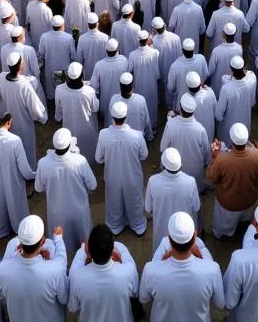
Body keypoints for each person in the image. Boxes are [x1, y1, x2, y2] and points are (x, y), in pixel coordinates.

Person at [138, 211, 225, 322]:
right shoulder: (213, 269)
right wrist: (201, 252)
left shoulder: (150, 270)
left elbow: (143, 299)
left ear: (169, 239)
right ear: (194, 237)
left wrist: (162, 259)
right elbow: (220, 303)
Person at [34, 127, 97, 257]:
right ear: (70, 145)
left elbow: (38, 188)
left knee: (61, 248)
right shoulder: (80, 161)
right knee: (85, 246)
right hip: (79, 211)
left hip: (57, 213)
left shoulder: (43, 163)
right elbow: (93, 185)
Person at [0, 215, 69, 322]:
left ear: (20, 243)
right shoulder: (55, 271)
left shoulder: (2, 270)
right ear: (42, 241)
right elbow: (64, 299)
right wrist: (59, 239)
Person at [67, 223, 140, 322]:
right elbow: (135, 293)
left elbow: (73, 308)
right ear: (112, 251)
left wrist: (82, 249)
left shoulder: (76, 277)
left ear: (90, 252)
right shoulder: (129, 272)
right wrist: (114, 245)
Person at [96, 100, 149, 236]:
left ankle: (115, 226)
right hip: (133, 176)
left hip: (112, 176)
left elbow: (99, 158)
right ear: (126, 116)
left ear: (112, 117)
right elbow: (144, 155)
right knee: (134, 200)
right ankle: (137, 226)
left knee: (114, 201)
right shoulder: (137, 135)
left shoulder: (103, 134)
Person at [206, 123, 258, 239]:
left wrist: (214, 157)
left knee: (222, 229)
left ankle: (219, 238)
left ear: (232, 141)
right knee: (244, 224)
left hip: (228, 205)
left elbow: (211, 178)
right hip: (248, 201)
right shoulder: (256, 155)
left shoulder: (222, 159)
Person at [145, 147, 201, 246]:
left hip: (161, 233)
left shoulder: (153, 181)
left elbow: (148, 208)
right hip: (183, 234)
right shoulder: (190, 182)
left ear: (162, 164)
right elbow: (196, 207)